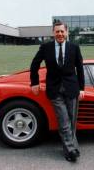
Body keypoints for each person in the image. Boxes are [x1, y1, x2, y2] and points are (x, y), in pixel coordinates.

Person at [30, 21, 84, 162]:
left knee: (71, 120)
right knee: (64, 120)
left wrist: (82, 88)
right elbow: (34, 64)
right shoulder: (45, 47)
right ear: (53, 33)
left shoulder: (74, 47)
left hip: (72, 89)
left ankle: (72, 147)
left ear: (66, 32)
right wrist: (34, 82)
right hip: (54, 90)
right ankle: (71, 151)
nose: (60, 34)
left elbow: (80, 68)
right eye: (57, 31)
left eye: (62, 31)